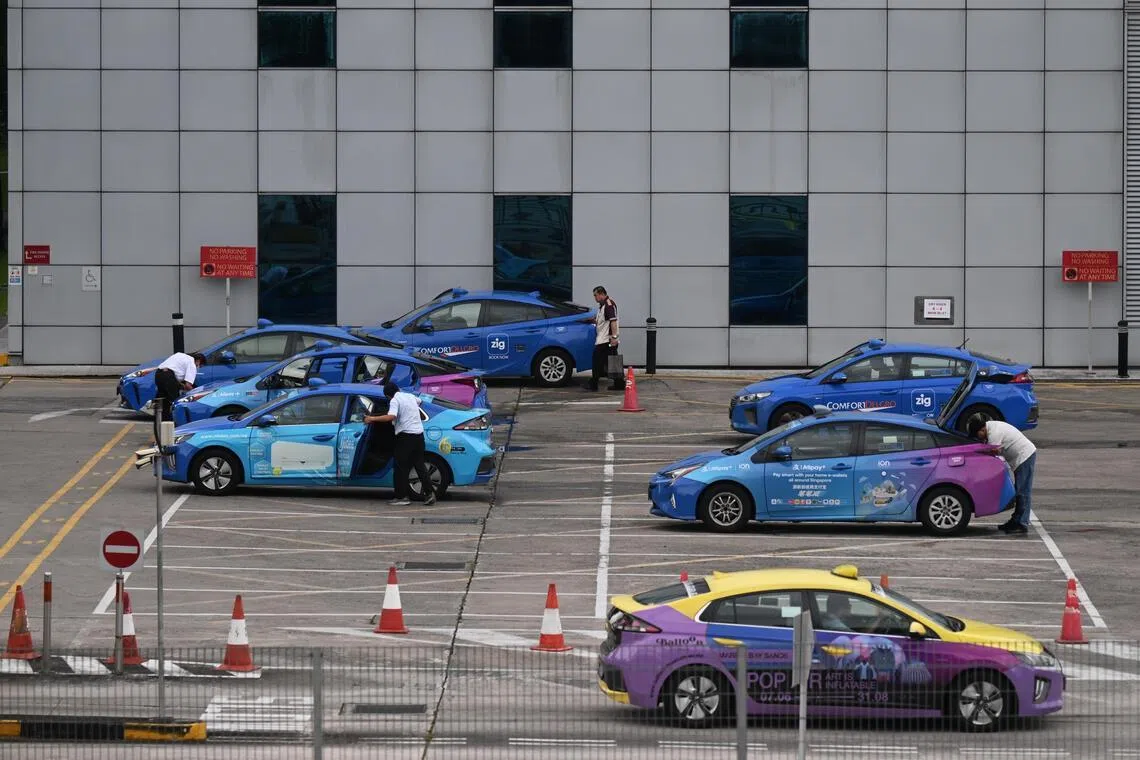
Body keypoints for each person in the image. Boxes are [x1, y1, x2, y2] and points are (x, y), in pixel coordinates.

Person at [364, 381, 436, 507]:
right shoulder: (410, 396)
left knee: (400, 467)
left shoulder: (394, 400)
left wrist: (372, 418)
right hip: (419, 436)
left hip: (406, 437)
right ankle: (430, 494)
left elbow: (391, 417)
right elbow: (420, 401)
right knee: (419, 465)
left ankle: (401, 497)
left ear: (388, 396)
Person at [967, 419, 1037, 535]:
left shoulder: (994, 433)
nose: (978, 438)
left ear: (982, 430)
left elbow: (994, 451)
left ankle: (1022, 523)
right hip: (1018, 458)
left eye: (977, 435)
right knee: (1019, 491)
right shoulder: (990, 428)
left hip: (1025, 456)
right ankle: (1015, 521)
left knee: (1023, 491)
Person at [153, 352, 205, 422]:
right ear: (198, 361)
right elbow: (188, 385)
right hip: (168, 376)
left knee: (164, 400)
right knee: (175, 401)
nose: (198, 367)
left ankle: (162, 421)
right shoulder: (191, 363)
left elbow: (177, 377)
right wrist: (196, 394)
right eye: (199, 366)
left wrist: (181, 386)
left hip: (158, 374)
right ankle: (173, 422)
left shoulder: (180, 355)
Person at [588, 285, 622, 392]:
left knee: (597, 361)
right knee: (612, 361)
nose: (595, 298)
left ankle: (593, 384)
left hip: (606, 339)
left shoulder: (608, 305)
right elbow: (603, 321)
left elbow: (613, 321)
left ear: (602, 294)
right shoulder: (602, 306)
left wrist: (614, 337)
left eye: (596, 295)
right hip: (605, 339)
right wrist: (592, 321)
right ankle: (619, 384)